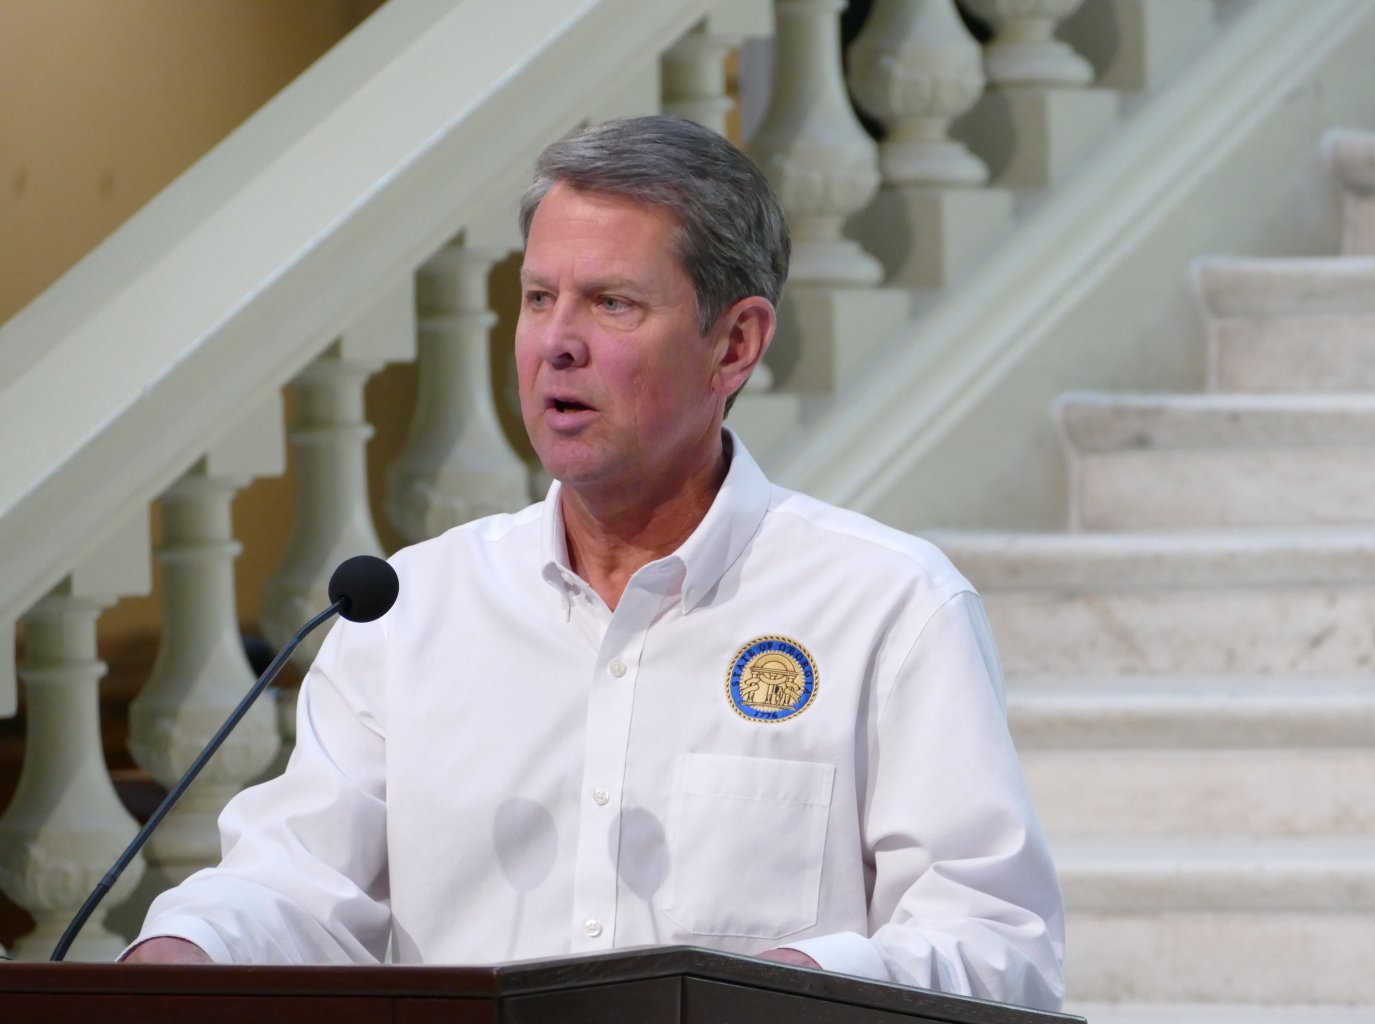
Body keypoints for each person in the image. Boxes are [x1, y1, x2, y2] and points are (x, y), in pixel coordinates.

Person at [123, 115, 1066, 1009]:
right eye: (539, 299)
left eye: (613, 303)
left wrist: (794, 988)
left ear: (735, 345)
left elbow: (996, 945)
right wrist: (187, 947)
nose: (556, 345)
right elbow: (294, 885)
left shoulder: (886, 608)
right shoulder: (411, 611)